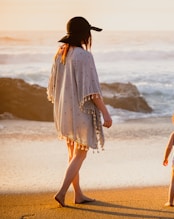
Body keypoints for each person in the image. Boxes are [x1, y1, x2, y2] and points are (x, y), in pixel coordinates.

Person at [47, 16, 112, 207]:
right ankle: (61, 192)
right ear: (84, 34)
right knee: (80, 154)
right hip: (81, 112)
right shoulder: (84, 56)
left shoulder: (61, 52)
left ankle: (79, 195)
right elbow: (92, 90)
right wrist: (106, 114)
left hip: (64, 111)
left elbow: (54, 86)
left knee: (72, 154)